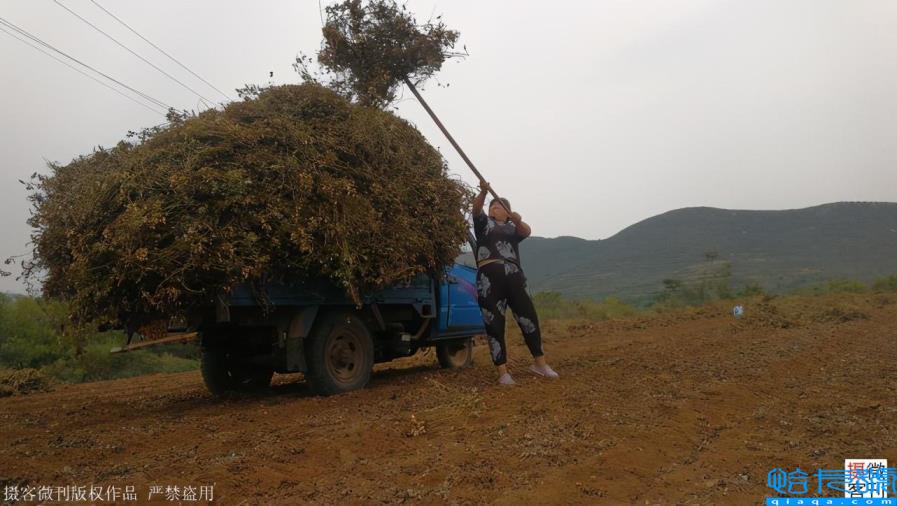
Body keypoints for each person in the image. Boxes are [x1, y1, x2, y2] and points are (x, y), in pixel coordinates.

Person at [472, 180, 559, 385]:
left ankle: (540, 364)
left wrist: (518, 220)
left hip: (514, 277)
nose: (494, 206)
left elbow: (527, 231)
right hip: (488, 279)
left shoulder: (513, 229)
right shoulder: (483, 225)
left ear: (508, 213)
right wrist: (483, 193)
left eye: (499, 205)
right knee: (494, 322)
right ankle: (503, 372)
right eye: (492, 205)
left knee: (528, 316)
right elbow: (476, 209)